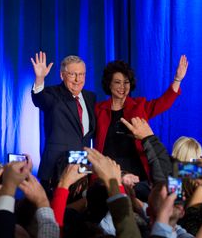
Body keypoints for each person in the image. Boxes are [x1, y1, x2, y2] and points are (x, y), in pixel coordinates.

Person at [94, 56, 188, 198]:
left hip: (137, 171)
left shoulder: (139, 105)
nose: (123, 87)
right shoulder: (98, 109)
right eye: (117, 82)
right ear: (109, 84)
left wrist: (177, 80)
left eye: (126, 82)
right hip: (108, 171)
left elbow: (163, 103)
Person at [31, 51, 96, 192]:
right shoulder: (53, 94)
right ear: (62, 75)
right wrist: (39, 79)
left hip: (81, 168)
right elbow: (39, 99)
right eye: (72, 74)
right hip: (55, 169)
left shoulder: (90, 97)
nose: (78, 79)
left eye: (82, 74)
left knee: (80, 211)